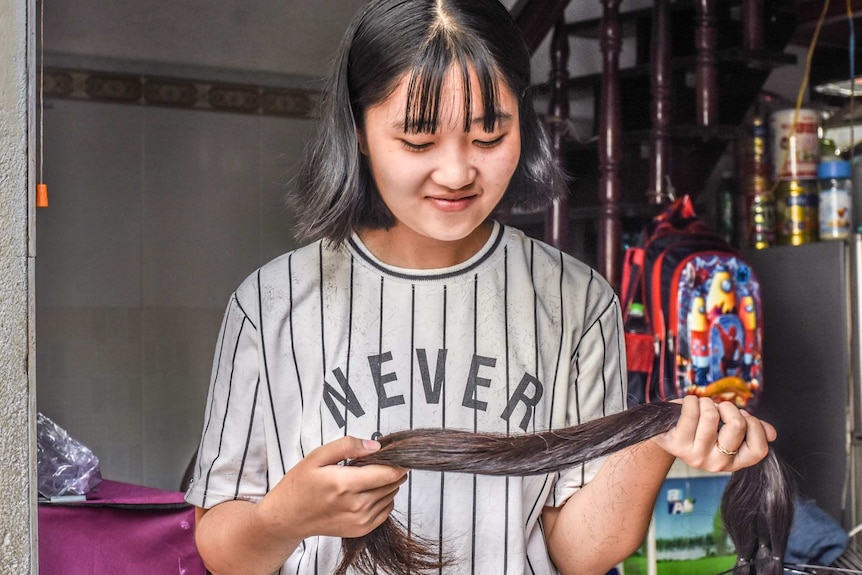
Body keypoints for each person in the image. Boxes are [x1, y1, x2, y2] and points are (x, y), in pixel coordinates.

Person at [184, 1, 776, 574]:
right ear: (359, 131)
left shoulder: (577, 302)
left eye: (490, 135)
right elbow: (218, 547)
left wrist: (657, 438)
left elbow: (577, 554)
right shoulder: (272, 303)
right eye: (417, 141)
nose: (457, 172)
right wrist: (284, 520)